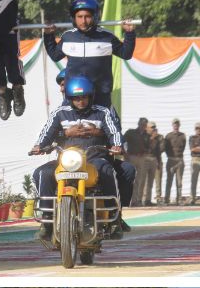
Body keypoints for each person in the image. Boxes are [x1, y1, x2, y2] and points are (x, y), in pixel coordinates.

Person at [28, 76, 132, 241]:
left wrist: (116, 145)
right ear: (70, 98)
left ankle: (114, 218)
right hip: (67, 160)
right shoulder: (59, 113)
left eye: (84, 97)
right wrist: (39, 146)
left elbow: (113, 132)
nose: (81, 101)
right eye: (76, 98)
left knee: (108, 171)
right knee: (42, 173)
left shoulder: (102, 112)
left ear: (90, 96)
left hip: (94, 159)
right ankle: (46, 221)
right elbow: (46, 133)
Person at [44, 0, 136, 109]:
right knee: (70, 127)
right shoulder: (68, 37)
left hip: (100, 96)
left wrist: (129, 33)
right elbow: (55, 55)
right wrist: (48, 35)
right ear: (74, 18)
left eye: (87, 16)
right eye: (79, 17)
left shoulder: (107, 37)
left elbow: (126, 54)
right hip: (74, 96)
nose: (83, 21)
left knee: (106, 127)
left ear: (95, 16)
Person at [126, 117, 156, 206]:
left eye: (144, 125)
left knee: (138, 180)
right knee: (130, 179)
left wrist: (152, 139)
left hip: (142, 158)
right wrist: (124, 153)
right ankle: (127, 200)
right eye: (142, 124)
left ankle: (135, 201)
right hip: (131, 157)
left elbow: (149, 148)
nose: (143, 126)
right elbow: (122, 141)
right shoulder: (131, 132)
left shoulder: (146, 135)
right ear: (138, 124)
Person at [164, 119, 188, 205]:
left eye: (177, 124)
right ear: (172, 125)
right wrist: (170, 157)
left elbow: (184, 147)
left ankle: (179, 199)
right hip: (170, 160)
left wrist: (178, 157)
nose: (176, 126)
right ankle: (166, 199)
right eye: (174, 124)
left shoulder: (183, 136)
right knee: (169, 181)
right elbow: (166, 148)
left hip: (179, 161)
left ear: (179, 125)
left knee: (179, 181)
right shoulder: (168, 136)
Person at [149, 122, 166, 205]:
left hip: (157, 161)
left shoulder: (160, 137)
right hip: (148, 161)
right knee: (147, 182)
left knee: (158, 181)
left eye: (154, 127)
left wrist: (155, 139)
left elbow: (162, 149)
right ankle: (146, 199)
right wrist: (152, 138)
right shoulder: (146, 137)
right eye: (151, 127)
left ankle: (158, 198)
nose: (153, 129)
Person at [190, 123, 200, 204]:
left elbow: (195, 148)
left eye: (199, 128)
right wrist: (196, 148)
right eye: (197, 128)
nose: (198, 130)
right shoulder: (192, 138)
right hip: (195, 159)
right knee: (194, 179)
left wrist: (197, 148)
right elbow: (192, 149)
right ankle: (192, 197)